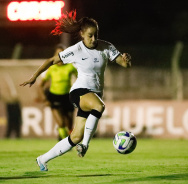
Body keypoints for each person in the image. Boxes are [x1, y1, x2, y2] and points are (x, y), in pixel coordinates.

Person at [20, 10, 131, 171]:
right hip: (79, 92)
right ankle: (85, 145)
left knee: (75, 136)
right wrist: (35, 76)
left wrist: (127, 59)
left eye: (96, 35)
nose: (94, 39)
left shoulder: (106, 46)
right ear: (82, 34)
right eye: (90, 35)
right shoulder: (76, 50)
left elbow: (124, 63)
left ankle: (43, 159)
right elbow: (52, 60)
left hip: (94, 95)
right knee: (99, 107)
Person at [36, 44, 77, 140]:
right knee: (61, 123)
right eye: (58, 54)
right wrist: (44, 98)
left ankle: (63, 135)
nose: (60, 56)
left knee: (69, 123)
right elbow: (40, 85)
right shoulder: (50, 68)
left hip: (67, 97)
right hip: (54, 97)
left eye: (62, 54)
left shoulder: (71, 66)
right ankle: (65, 142)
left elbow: (81, 77)